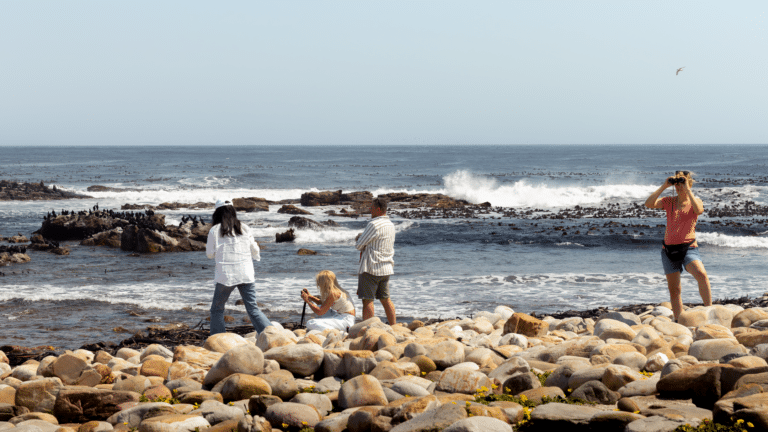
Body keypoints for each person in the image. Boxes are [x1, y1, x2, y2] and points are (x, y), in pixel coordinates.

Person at [644, 171, 712, 320]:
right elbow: (648, 204)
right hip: (668, 250)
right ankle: (679, 320)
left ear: (689, 183)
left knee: (701, 274)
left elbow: (699, 210)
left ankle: (710, 311)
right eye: (678, 184)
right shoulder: (669, 201)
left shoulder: (696, 201)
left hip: (689, 248)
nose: (679, 187)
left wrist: (687, 189)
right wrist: (664, 185)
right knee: (675, 289)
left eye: (682, 183)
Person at [206, 199, 271, 335]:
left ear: (217, 213)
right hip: (246, 272)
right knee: (253, 308)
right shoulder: (244, 227)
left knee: (217, 309)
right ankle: (272, 334)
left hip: (226, 275)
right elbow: (255, 249)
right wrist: (254, 257)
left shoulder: (215, 230)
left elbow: (210, 254)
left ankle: (219, 338)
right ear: (232, 211)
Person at [355, 197, 397, 324]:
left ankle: (369, 327)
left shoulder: (373, 224)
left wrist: (363, 244)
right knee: (386, 299)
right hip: (386, 267)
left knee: (367, 300)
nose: (370, 210)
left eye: (372, 208)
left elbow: (359, 245)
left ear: (378, 209)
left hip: (371, 267)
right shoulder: (391, 225)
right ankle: (394, 325)